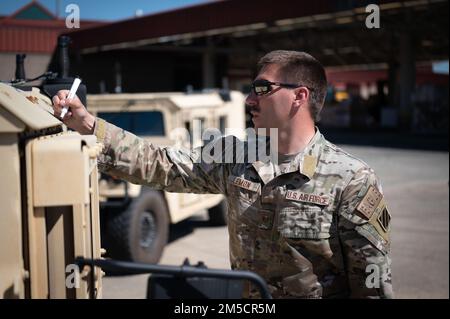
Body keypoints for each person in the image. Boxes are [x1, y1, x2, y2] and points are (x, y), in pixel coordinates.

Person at [52, 50, 393, 299]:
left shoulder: (352, 179)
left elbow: (371, 288)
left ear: (299, 97)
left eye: (261, 89)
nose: (248, 99)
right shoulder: (236, 156)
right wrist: (89, 126)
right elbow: (160, 163)